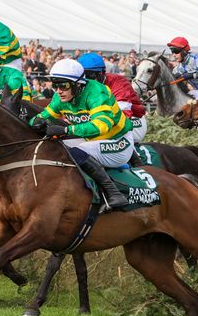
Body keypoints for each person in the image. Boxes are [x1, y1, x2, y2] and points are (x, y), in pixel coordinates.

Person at [30, 59, 133, 209]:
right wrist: (35, 122)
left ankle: (113, 193)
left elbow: (102, 126)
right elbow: (43, 116)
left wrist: (67, 130)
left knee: (76, 152)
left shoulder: (97, 93)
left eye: (63, 85)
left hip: (118, 142)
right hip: (91, 140)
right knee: (52, 148)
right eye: (55, 85)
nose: (58, 91)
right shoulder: (60, 97)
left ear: (78, 84)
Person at [78, 52, 148, 143]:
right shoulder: (80, 86)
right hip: (101, 118)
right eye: (82, 76)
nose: (86, 81)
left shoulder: (119, 83)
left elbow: (122, 116)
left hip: (133, 120)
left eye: (89, 76)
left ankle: (133, 155)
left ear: (102, 73)